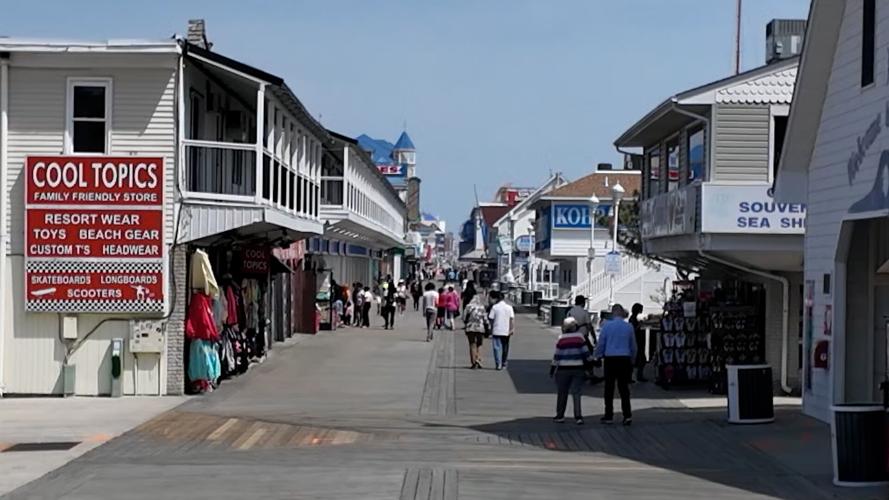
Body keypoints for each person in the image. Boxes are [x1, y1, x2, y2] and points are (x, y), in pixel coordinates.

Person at [595, 304, 637, 425]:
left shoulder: (607, 326)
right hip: (624, 358)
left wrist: (597, 355)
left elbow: (601, 343)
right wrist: (633, 359)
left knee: (609, 388)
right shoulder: (629, 327)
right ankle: (627, 415)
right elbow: (633, 345)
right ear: (622, 313)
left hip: (610, 359)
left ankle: (609, 415)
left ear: (613, 313)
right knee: (624, 388)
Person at [550, 317, 594, 425]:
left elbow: (557, 356)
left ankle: (560, 416)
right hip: (577, 368)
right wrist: (591, 362)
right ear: (575, 326)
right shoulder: (580, 337)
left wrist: (552, 369)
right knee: (576, 392)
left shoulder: (561, 338)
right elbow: (586, 353)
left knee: (562, 393)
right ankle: (578, 417)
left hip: (563, 369)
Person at [488, 290, 515, 370]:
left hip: (496, 330)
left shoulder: (494, 307)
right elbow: (512, 319)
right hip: (506, 330)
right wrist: (512, 328)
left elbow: (491, 319)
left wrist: (491, 329)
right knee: (505, 347)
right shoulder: (509, 307)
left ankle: (498, 363)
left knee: (497, 348)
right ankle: (504, 363)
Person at [462, 294, 489, 369]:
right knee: (480, 344)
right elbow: (485, 319)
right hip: (480, 328)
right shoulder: (482, 307)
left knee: (472, 344)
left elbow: (464, 318)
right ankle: (478, 359)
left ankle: (473, 361)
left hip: (470, 327)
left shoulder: (468, 306)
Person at [629, 303, 647, 382]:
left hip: (637, 341)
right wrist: (640, 325)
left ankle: (636, 375)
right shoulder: (633, 319)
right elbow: (633, 330)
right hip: (637, 341)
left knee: (639, 359)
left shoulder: (633, 318)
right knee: (640, 359)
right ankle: (638, 375)